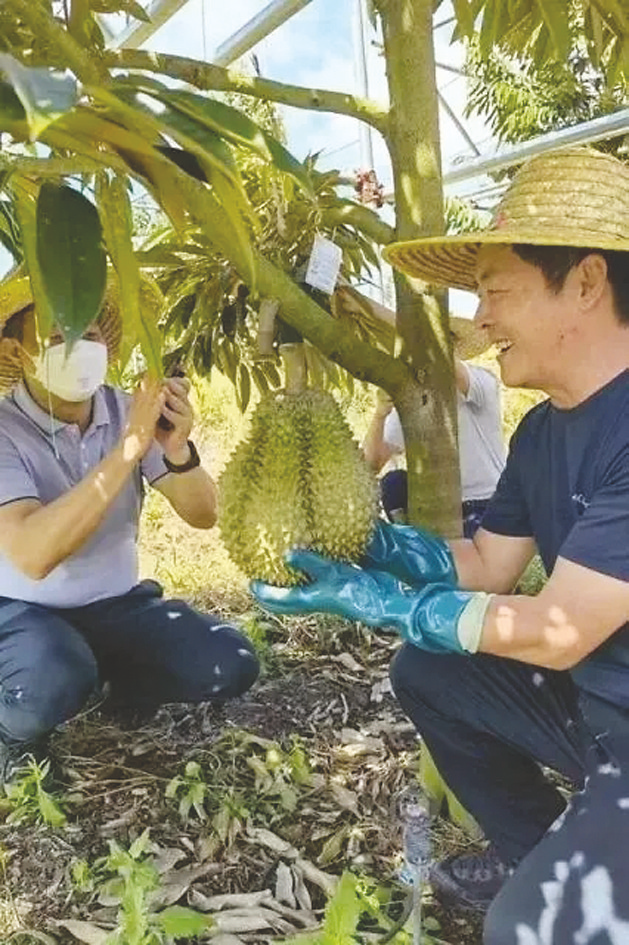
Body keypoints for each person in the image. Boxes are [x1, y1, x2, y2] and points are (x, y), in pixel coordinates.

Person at [252, 146, 629, 943]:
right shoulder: (541, 430)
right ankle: (539, 852)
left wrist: (391, 604)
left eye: (496, 292)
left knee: (523, 931)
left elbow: (557, 632)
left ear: (586, 282)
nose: (481, 320)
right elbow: (487, 565)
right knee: (429, 669)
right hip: (596, 710)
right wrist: (380, 551)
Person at [0, 270, 259, 781]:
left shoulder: (126, 411)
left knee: (231, 661)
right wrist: (128, 449)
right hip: (20, 609)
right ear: (16, 353)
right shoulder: (4, 430)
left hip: (116, 604)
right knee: (51, 677)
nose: (78, 347)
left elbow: (204, 514)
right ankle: (14, 732)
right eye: (58, 336)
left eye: (90, 334)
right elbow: (32, 555)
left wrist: (176, 451)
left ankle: (117, 680)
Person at [362, 318, 505, 536]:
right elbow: (371, 464)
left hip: (485, 504)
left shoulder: (481, 381)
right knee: (393, 484)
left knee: (462, 552)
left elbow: (436, 351)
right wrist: (380, 414)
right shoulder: (411, 398)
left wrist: (371, 310)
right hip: (435, 507)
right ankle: (411, 540)